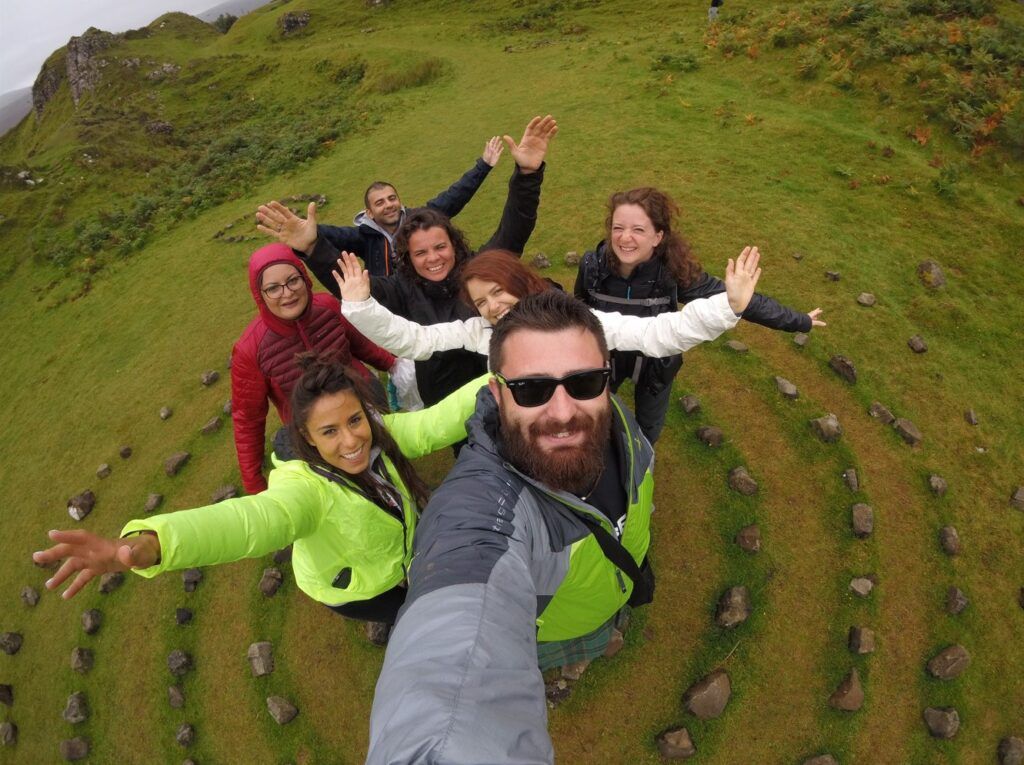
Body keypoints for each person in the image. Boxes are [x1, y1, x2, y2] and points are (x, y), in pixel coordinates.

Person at [367, 260, 763, 763]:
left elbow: (665, 331)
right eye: (531, 389)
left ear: (605, 377)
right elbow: (455, 643)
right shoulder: (482, 511)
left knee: (602, 631)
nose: (561, 412)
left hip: (615, 575)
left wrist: (730, 306)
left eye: (581, 383)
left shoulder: (613, 413)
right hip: (557, 624)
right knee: (570, 647)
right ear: (496, 393)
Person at [32, 356, 488, 633]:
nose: (351, 441)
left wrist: (505, 378)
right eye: (329, 432)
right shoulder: (303, 490)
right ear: (307, 439)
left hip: (396, 555)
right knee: (412, 611)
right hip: (358, 588)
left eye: (354, 421)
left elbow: (436, 421)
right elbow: (249, 522)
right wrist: (156, 543)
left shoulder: (382, 436)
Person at [269, 115, 558, 408]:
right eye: (420, 253)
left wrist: (527, 173)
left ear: (454, 245)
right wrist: (312, 247)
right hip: (446, 400)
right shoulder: (401, 289)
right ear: (407, 256)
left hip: (502, 379)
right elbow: (354, 286)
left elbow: (514, 228)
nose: (433, 258)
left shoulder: (478, 271)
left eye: (440, 247)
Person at [574, 187, 825, 442]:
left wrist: (800, 320)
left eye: (638, 229)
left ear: (658, 237)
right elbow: (579, 312)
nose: (625, 238)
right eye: (618, 228)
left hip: (656, 365)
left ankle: (641, 470)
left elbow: (739, 300)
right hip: (604, 359)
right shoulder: (591, 266)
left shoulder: (673, 271)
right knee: (595, 418)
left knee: (647, 430)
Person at [332, 246, 758, 363]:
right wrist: (359, 307)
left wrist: (726, 307)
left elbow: (654, 335)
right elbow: (416, 342)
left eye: (499, 292)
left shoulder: (572, 319)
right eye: (481, 301)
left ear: (520, 282)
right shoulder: (478, 332)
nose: (493, 306)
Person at [232, 242, 413, 495]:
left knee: (387, 457)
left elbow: (359, 343)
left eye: (293, 280)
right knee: (348, 487)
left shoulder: (327, 305)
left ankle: (406, 496)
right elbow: (247, 420)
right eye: (273, 288)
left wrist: (393, 364)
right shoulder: (250, 350)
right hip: (314, 432)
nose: (287, 293)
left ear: (305, 278)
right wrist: (254, 485)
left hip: (364, 401)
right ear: (259, 294)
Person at [255, 136, 505, 276]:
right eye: (380, 202)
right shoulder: (364, 238)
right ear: (369, 213)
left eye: (392, 198)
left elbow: (456, 194)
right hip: (397, 304)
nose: (388, 205)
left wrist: (484, 164)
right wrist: (308, 232)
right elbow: (331, 235)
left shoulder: (422, 218)